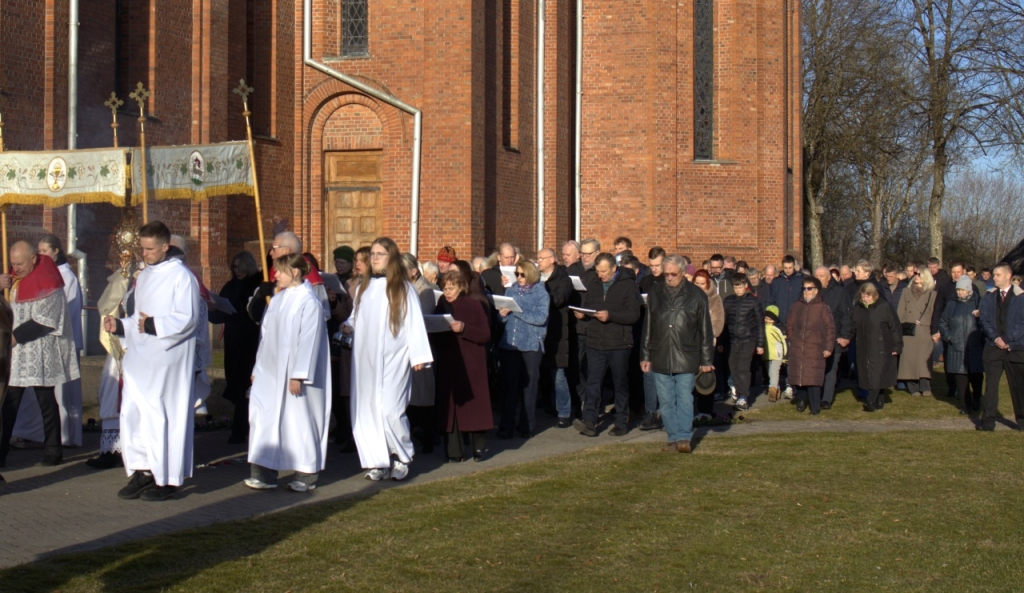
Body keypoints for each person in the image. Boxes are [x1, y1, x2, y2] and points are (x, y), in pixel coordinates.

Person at [103, 222, 201, 501]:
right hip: (140, 360)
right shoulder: (144, 276)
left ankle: (167, 479)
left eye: (149, 249)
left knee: (161, 417)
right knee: (133, 414)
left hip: (166, 361)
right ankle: (143, 470)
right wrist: (121, 326)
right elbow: (138, 318)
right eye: (142, 248)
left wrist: (152, 325)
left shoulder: (182, 277)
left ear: (165, 246)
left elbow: (187, 318)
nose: (144, 254)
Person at [244, 253, 331, 492]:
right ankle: (263, 473)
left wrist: (298, 374)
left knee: (300, 421)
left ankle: (305, 474)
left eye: (280, 271)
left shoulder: (309, 302)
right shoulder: (278, 300)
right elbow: (266, 337)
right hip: (271, 372)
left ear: (294, 272)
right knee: (264, 418)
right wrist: (258, 367)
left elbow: (309, 339)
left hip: (296, 374)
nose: (275, 276)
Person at [348, 237, 433, 481]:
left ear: (391, 258)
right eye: (372, 254)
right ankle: (378, 460)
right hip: (366, 360)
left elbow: (414, 322)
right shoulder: (364, 288)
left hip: (394, 357)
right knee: (368, 411)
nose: (374, 258)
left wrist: (418, 355)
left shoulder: (402, 288)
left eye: (380, 254)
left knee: (390, 410)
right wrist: (347, 325)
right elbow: (356, 317)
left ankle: (402, 456)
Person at [0, 241, 79, 468]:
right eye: (13, 263)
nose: (17, 268)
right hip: (16, 354)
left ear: (33, 258)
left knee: (46, 401)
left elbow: (46, 319)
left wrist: (13, 338)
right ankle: (1, 452)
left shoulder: (49, 279)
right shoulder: (12, 280)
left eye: (20, 264)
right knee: (9, 403)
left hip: (39, 349)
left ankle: (53, 450)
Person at [640, 255, 713, 453]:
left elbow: (705, 329)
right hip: (660, 353)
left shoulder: (697, 295)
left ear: (682, 272)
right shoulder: (655, 292)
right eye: (666, 274)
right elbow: (648, 326)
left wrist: (706, 360)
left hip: (687, 354)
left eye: (673, 274)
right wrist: (645, 355)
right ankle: (672, 438)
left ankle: (683, 437)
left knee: (684, 398)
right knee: (665, 400)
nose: (669, 278)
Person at [573, 253, 640, 436]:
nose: (600, 275)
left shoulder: (628, 285)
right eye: (598, 271)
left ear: (614, 269)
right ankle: (589, 420)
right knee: (593, 382)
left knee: (620, 383)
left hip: (619, 343)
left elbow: (633, 314)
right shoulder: (594, 283)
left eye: (604, 271)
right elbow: (590, 306)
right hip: (595, 341)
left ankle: (621, 421)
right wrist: (583, 314)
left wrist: (610, 316)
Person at [432, 270, 492, 461]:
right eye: (445, 288)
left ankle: (478, 448)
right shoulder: (441, 304)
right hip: (448, 361)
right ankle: (454, 452)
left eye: (452, 288)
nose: (448, 292)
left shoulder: (473, 304)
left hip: (470, 362)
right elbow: (434, 330)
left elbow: (485, 334)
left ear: (461, 287)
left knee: (474, 406)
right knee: (450, 408)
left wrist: (464, 328)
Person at [207, 251, 262, 444]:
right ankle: (241, 427)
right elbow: (220, 315)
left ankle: (240, 429)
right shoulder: (230, 286)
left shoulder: (256, 284)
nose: (237, 271)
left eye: (241, 267)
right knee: (236, 381)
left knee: (245, 384)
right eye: (235, 267)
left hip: (251, 340)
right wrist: (213, 310)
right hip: (233, 341)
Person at [497, 260, 549, 438]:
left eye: (522, 274)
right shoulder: (510, 291)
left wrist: (517, 311)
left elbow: (540, 318)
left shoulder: (541, 293)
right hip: (510, 343)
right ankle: (506, 426)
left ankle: (527, 425)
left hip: (531, 344)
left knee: (529, 386)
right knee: (509, 386)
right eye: (517, 274)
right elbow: (502, 320)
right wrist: (502, 315)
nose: (519, 277)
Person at [977, 263, 1024, 431]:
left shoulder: (1021, 297)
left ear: (1008, 276)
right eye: (994, 274)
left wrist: (1007, 339)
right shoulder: (989, 296)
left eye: (998, 275)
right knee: (991, 387)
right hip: (993, 347)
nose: (994, 277)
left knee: (1019, 387)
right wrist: (996, 338)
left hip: (1015, 348)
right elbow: (984, 320)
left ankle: (1022, 421)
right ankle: (988, 422)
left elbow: (1022, 323)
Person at [402, 253, 439, 454]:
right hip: (403, 350)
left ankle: (427, 438)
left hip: (419, 348)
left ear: (414, 271)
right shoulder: (399, 288)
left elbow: (420, 319)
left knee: (422, 396)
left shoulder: (425, 291)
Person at [785, 277, 836, 414]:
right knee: (799, 376)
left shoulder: (823, 307)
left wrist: (828, 347)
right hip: (798, 347)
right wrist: (792, 337)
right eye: (804, 288)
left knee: (813, 379)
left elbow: (830, 329)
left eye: (809, 288)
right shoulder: (796, 306)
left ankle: (815, 407)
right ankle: (801, 401)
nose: (806, 291)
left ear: (816, 291)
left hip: (815, 348)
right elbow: (789, 324)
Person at [851, 283, 902, 412]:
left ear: (874, 295)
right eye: (863, 296)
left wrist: (897, 345)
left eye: (868, 296)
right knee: (870, 374)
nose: (865, 299)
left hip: (881, 346)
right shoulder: (858, 308)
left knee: (877, 373)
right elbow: (853, 326)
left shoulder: (884, 307)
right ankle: (880, 399)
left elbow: (895, 327)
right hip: (863, 346)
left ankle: (870, 401)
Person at [538, 248, 574, 428]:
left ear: (552, 259)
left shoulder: (563, 280)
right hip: (539, 332)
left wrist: (539, 296)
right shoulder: (536, 278)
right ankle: (549, 405)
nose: (538, 261)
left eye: (542, 258)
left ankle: (564, 412)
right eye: (537, 258)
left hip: (556, 332)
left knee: (558, 374)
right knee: (544, 373)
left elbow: (559, 299)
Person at [939, 276, 984, 414]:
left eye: (963, 290)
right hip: (956, 346)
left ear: (969, 290)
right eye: (958, 289)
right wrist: (949, 336)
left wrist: (980, 337)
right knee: (961, 378)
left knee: (976, 377)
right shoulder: (951, 304)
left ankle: (977, 398)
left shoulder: (979, 302)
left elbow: (986, 322)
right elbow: (943, 322)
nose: (960, 292)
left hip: (975, 346)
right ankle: (966, 405)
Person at [722, 276, 765, 410]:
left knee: (743, 368)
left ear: (745, 286)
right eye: (736, 287)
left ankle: (743, 396)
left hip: (748, 339)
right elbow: (724, 322)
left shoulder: (753, 301)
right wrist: (721, 342)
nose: (738, 290)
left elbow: (760, 323)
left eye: (740, 287)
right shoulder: (728, 301)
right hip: (732, 340)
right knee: (733, 367)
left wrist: (760, 344)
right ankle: (738, 390)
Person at [814, 266, 853, 410]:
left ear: (829, 277)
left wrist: (845, 336)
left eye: (822, 276)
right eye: (816, 276)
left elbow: (846, 316)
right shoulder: (811, 292)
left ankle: (826, 399)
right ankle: (815, 395)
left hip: (834, 337)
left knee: (831, 369)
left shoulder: (839, 292)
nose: (819, 278)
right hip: (815, 338)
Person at [897, 269, 939, 396]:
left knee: (923, 359)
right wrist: (902, 325)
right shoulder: (906, 291)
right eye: (915, 274)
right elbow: (900, 311)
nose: (917, 276)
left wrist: (927, 324)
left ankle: (925, 385)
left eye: (919, 274)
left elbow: (934, 312)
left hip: (924, 329)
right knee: (909, 359)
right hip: (909, 330)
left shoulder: (932, 294)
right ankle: (912, 386)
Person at [692, 269, 725, 420]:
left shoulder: (714, 299)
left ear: (708, 284)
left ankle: (705, 410)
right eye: (696, 283)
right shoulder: (688, 298)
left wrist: (711, 335)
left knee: (706, 376)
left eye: (702, 284)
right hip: (690, 343)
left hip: (707, 343)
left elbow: (718, 321)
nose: (699, 286)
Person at [763, 305, 787, 402]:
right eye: (766, 318)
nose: (768, 321)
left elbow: (783, 342)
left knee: (774, 372)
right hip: (766, 354)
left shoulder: (778, 329)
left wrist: (785, 355)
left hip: (777, 355)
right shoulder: (763, 327)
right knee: (770, 373)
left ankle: (772, 392)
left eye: (770, 319)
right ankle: (777, 389)